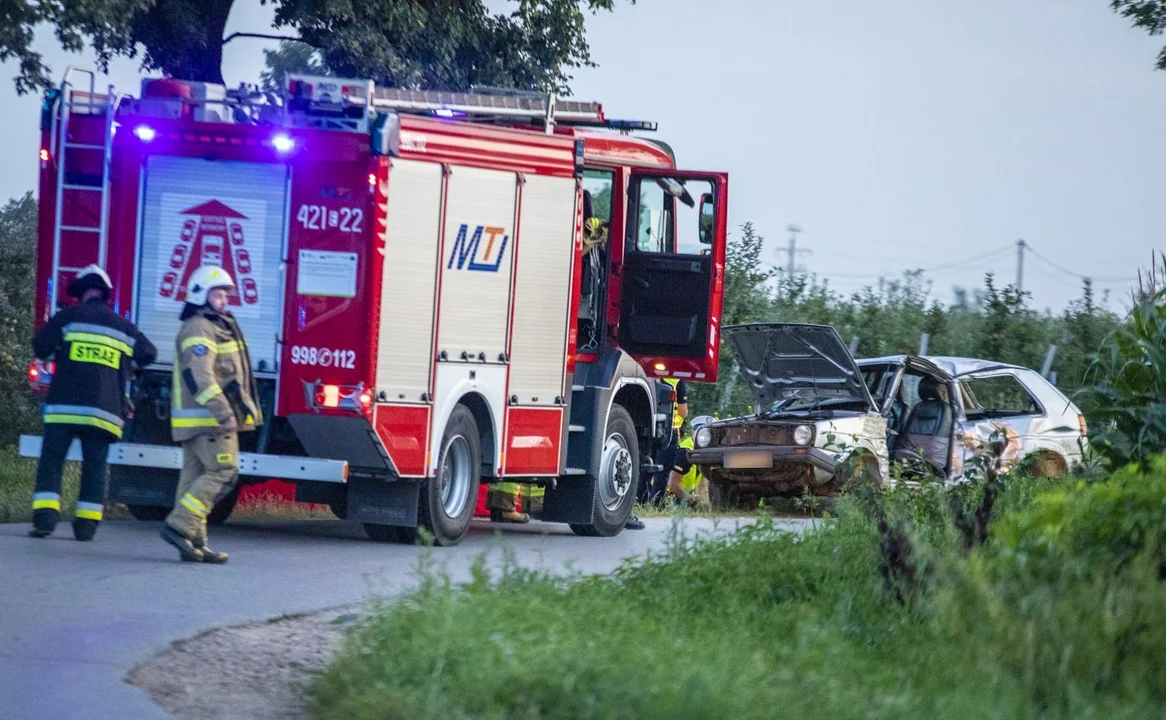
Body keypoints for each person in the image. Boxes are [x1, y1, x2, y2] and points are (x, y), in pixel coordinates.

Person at [29, 265, 157, 541]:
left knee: (52, 461)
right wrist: (125, 362)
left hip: (64, 408)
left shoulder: (68, 318)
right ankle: (86, 527)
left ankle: (45, 520)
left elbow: (40, 347)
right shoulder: (123, 327)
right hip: (104, 413)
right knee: (95, 467)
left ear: (81, 292)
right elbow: (149, 352)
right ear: (105, 294)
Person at [160, 266, 262, 564]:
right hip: (210, 420)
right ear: (201, 294)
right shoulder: (199, 327)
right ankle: (180, 526)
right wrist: (223, 412)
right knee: (224, 470)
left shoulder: (212, 325)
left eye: (225, 294)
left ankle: (194, 542)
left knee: (193, 480)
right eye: (218, 294)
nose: (224, 300)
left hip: (198, 421)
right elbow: (201, 376)